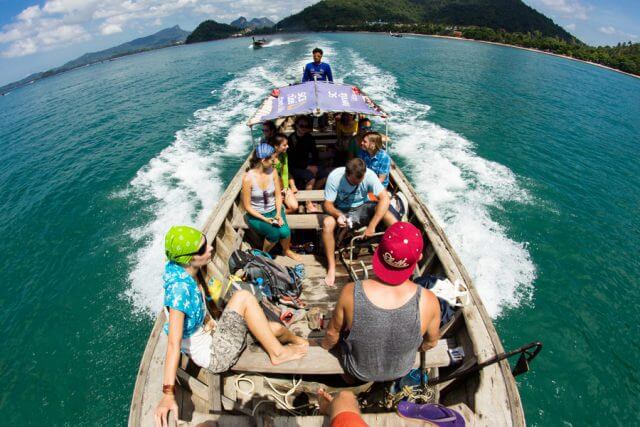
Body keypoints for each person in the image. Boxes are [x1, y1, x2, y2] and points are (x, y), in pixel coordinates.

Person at [154, 226, 308, 427]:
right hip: (215, 354)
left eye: (206, 242)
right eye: (202, 250)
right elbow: (173, 345)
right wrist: (168, 392)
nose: (209, 249)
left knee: (276, 329)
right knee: (243, 297)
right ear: (187, 259)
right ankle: (278, 353)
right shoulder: (179, 292)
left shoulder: (184, 267)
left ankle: (298, 342)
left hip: (216, 332)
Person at [321, 222, 441, 382]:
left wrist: (324, 349)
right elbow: (431, 343)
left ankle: (348, 379)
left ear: (379, 251)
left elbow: (331, 334)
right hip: (400, 370)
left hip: (357, 371)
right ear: (419, 258)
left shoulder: (351, 292)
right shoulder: (429, 301)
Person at [322, 158, 398, 287]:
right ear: (347, 174)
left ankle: (402, 246)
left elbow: (385, 198)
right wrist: (338, 215)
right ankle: (331, 267)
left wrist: (372, 226)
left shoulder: (369, 175)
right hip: (341, 210)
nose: (358, 183)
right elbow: (327, 204)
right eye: (354, 181)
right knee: (327, 224)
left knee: (386, 212)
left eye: (361, 180)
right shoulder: (335, 177)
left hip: (362, 207)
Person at [241, 143, 300, 260]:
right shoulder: (248, 178)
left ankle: (286, 250)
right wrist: (265, 219)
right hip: (256, 215)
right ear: (263, 160)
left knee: (285, 232)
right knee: (274, 233)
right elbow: (247, 207)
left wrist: (278, 214)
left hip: (274, 210)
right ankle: (264, 255)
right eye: (272, 159)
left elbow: (278, 196)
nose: (275, 162)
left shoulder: (272, 172)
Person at [288, 116, 326, 212]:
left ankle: (311, 193)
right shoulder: (291, 139)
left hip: (308, 164)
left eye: (306, 126)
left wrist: (315, 166)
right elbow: (292, 160)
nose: (304, 128)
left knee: (325, 175)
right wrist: (308, 167)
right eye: (301, 125)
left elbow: (315, 154)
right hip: (295, 167)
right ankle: (308, 203)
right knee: (311, 177)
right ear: (296, 125)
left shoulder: (309, 137)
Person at [269, 132, 299, 214]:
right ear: (276, 146)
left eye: (287, 144)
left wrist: (285, 188)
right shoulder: (268, 158)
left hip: (281, 186)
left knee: (294, 207)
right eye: (284, 145)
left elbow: (285, 173)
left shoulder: (284, 155)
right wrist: (277, 192)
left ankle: (281, 213)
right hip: (271, 189)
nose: (287, 146)